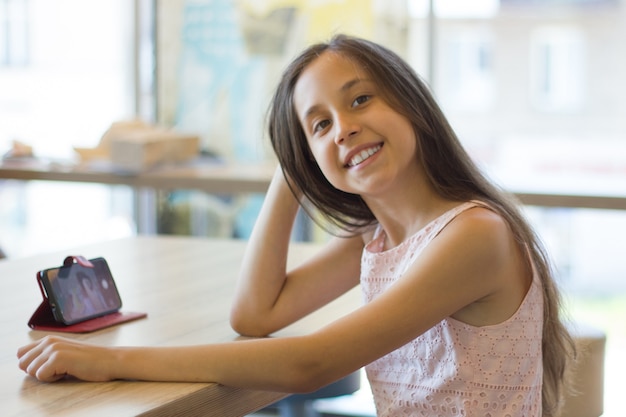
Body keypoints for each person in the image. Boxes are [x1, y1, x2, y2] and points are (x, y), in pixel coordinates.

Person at [17, 34, 574, 417]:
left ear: (413, 105)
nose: (345, 129)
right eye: (320, 125)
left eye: (360, 100)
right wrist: (292, 170)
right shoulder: (375, 236)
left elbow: (313, 362)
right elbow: (256, 315)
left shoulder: (474, 235)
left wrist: (112, 361)